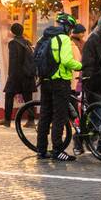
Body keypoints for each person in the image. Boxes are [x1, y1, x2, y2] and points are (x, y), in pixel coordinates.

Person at [35, 14, 82, 161]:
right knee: (59, 116)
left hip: (45, 81)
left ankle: (41, 150)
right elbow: (67, 61)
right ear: (68, 27)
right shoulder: (63, 39)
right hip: (60, 81)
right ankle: (57, 150)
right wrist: (81, 66)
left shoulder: (43, 38)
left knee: (45, 116)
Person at [0, 22, 37, 127]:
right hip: (28, 75)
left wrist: (11, 76)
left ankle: (7, 120)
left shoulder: (13, 43)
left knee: (9, 95)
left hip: (17, 75)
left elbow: (14, 61)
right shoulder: (27, 42)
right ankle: (31, 121)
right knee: (28, 98)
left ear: (12, 32)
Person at [79, 16, 101, 106]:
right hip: (95, 83)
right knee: (97, 110)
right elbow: (88, 63)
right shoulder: (92, 42)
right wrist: (89, 79)